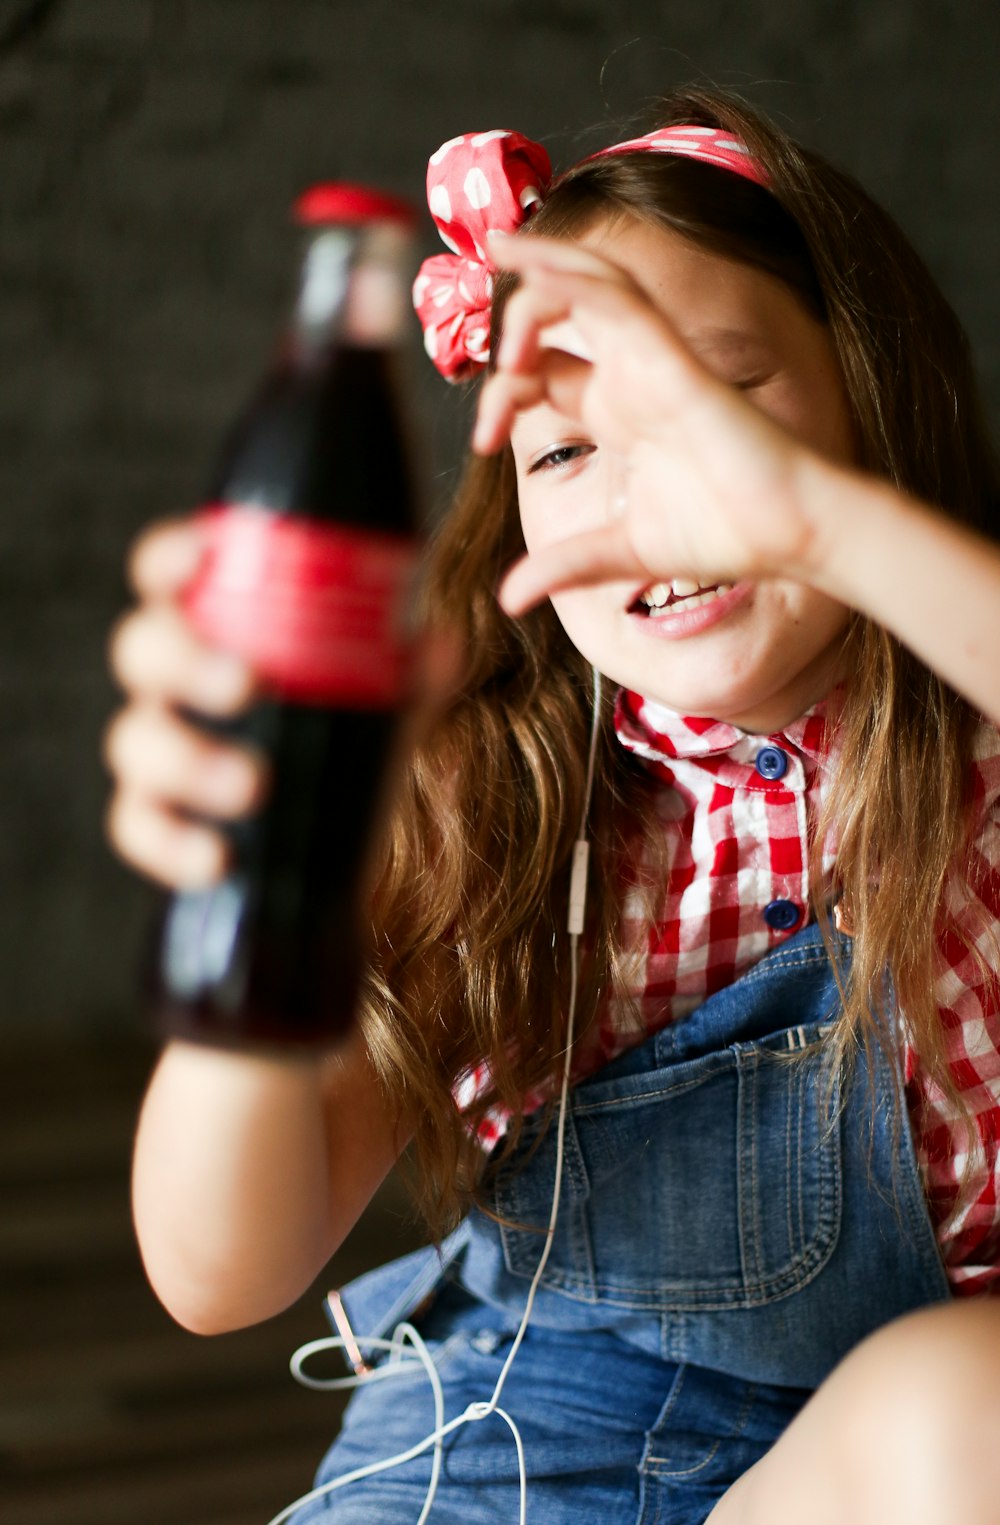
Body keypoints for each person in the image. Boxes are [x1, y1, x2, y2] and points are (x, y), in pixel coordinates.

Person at [105, 87, 1000, 1524]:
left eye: (709, 401)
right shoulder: (500, 795)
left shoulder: (974, 709)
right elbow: (219, 1270)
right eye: (565, 450)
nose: (647, 484)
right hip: (535, 1432)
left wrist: (825, 522)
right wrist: (277, 885)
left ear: (871, 395)